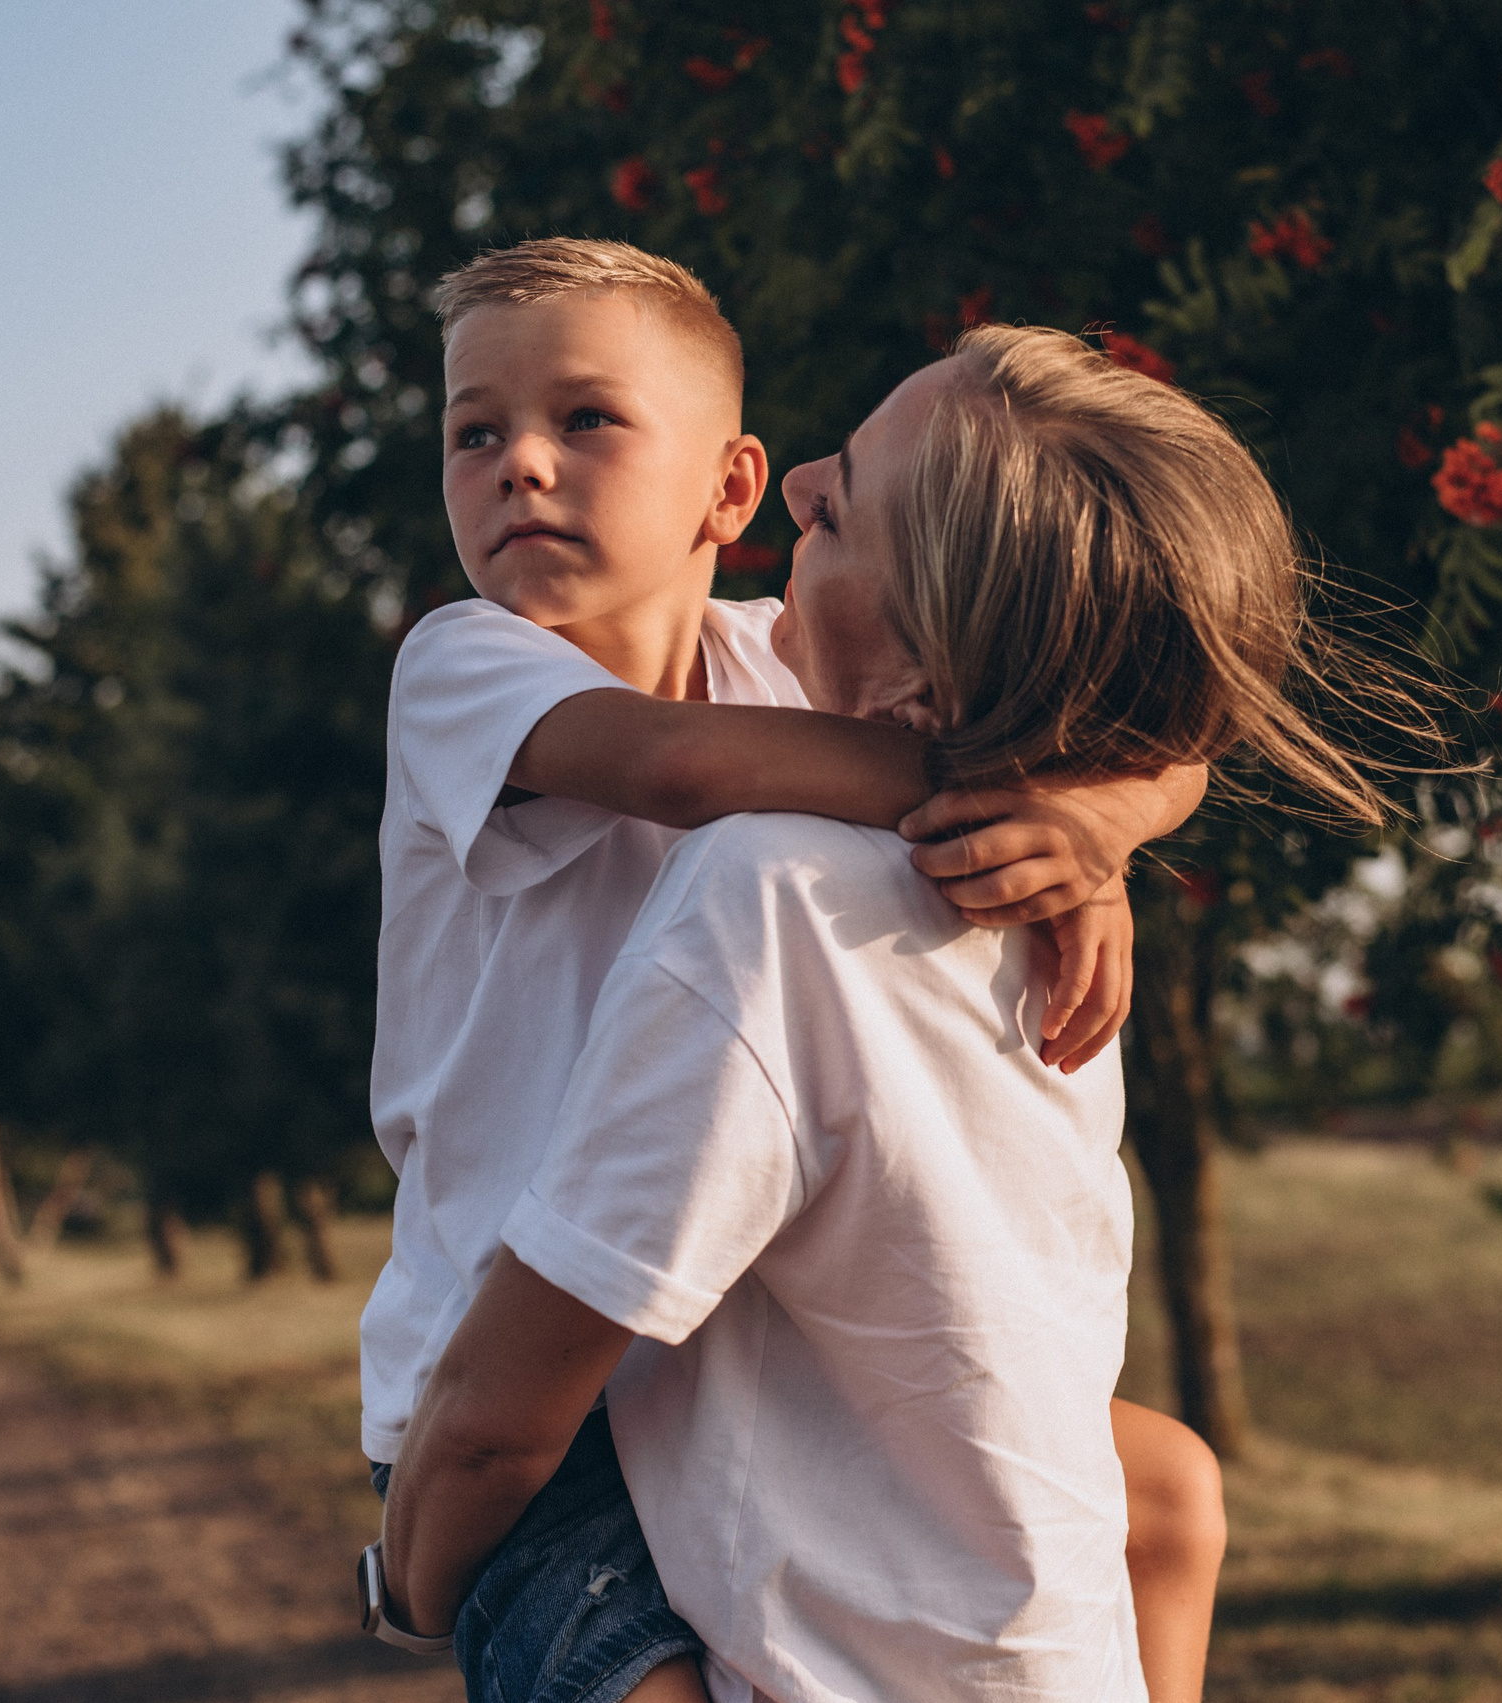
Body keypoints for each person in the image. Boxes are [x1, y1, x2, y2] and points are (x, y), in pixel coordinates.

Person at [382, 325, 1424, 1701]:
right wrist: (1045, 785)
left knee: (1164, 1489)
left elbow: (1173, 742)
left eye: (845, 498)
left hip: (616, 1361)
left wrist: (1090, 811)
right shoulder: (489, 666)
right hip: (576, 1353)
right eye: (475, 431)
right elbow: (684, 762)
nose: (811, 481)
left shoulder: (780, 835)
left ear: (728, 487)